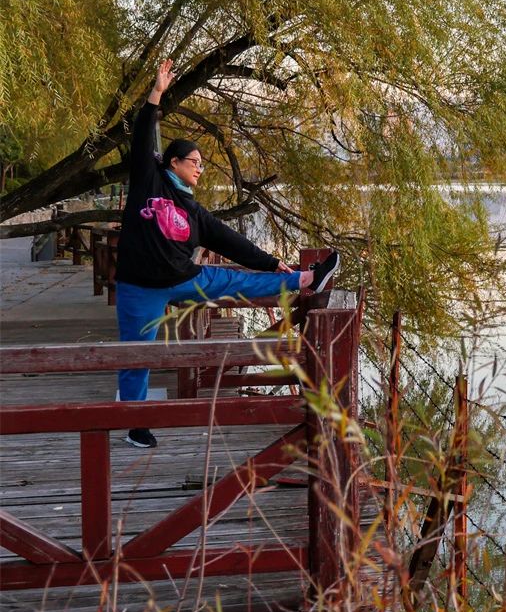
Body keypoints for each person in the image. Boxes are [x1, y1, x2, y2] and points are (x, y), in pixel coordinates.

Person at [114, 59, 339, 448]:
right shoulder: (148, 179)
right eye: (194, 162)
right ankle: (135, 426)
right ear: (173, 162)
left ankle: (305, 278)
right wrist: (156, 95)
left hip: (184, 279)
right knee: (138, 355)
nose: (200, 169)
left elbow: (232, 241)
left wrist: (270, 261)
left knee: (239, 280)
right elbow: (143, 136)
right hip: (139, 288)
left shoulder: (195, 212)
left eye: (202, 164)